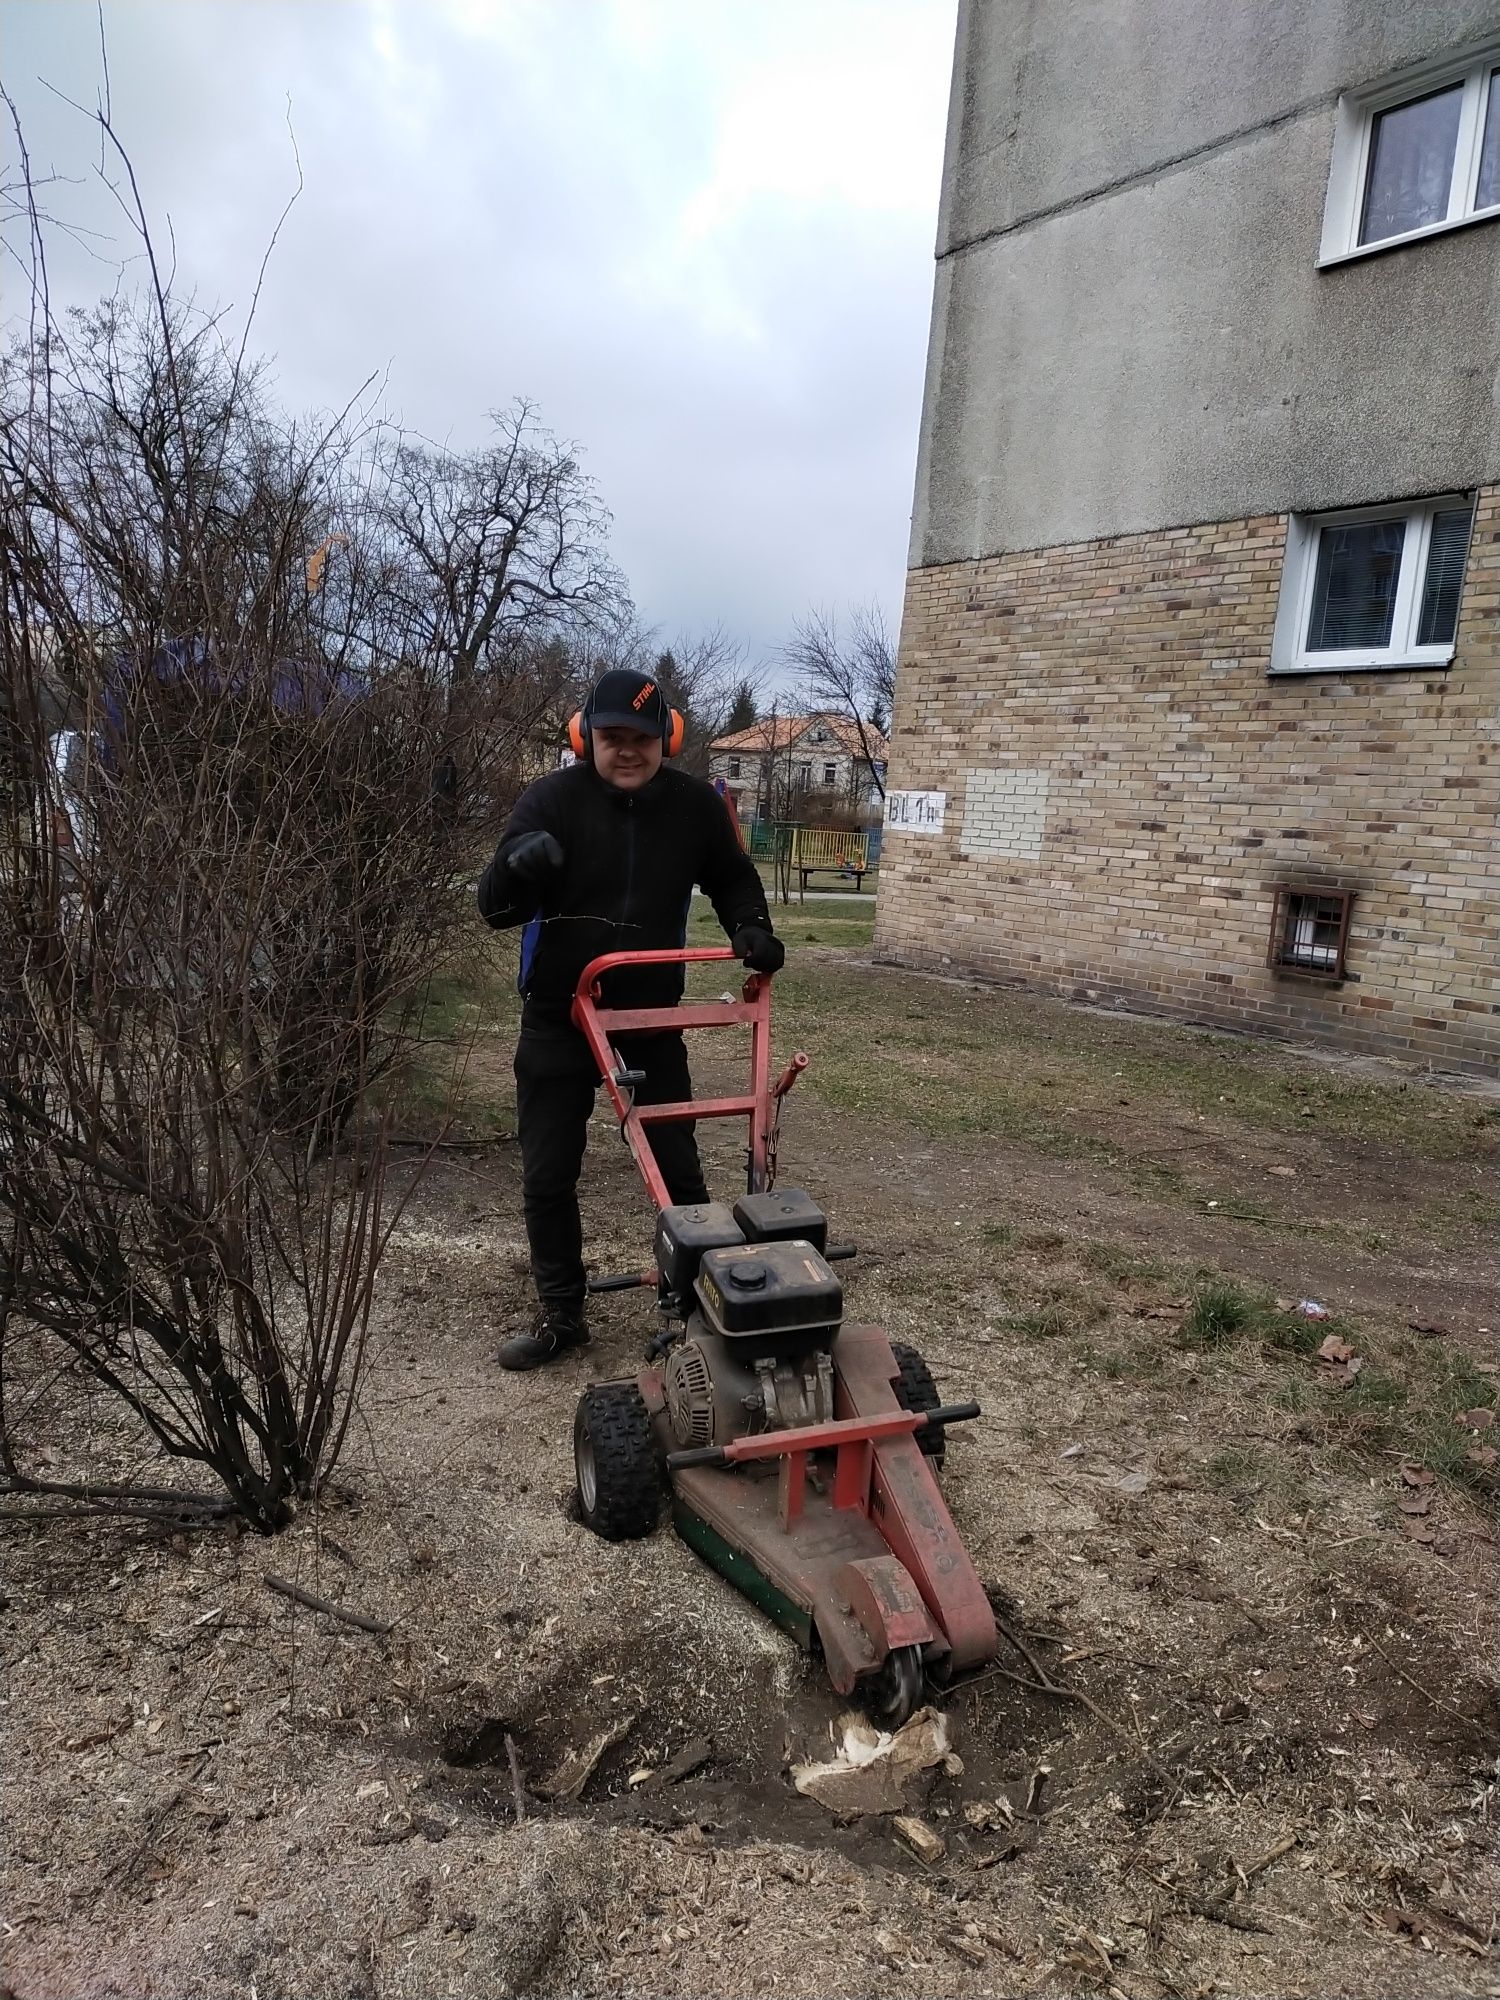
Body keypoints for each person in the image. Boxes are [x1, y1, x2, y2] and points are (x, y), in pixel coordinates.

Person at [477, 667, 784, 1369]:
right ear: (585, 736)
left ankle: (703, 1303)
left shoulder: (694, 807)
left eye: (641, 740)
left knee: (678, 1170)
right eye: (611, 737)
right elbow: (494, 910)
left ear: (666, 739)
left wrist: (751, 926)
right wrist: (518, 869)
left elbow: (731, 875)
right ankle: (561, 1313)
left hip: (648, 1016)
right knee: (549, 1175)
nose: (626, 751)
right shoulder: (549, 801)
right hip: (560, 1014)